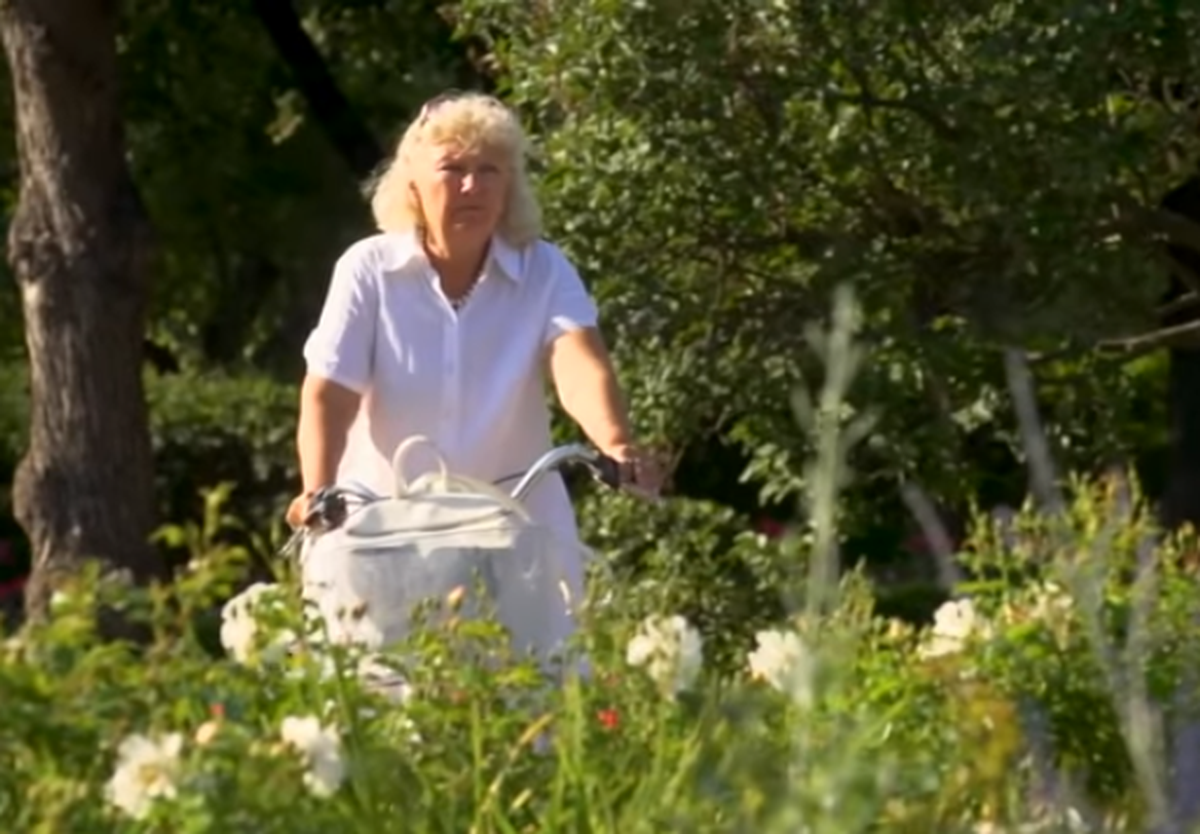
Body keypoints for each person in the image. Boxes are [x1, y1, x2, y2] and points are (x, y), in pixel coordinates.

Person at [286, 89, 662, 641]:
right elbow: (330, 394)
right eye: (453, 169)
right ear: (412, 182)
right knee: (376, 678)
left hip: (515, 535)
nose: (473, 186)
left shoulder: (545, 269)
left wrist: (615, 443)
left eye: (490, 171)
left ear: (509, 186)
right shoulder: (367, 270)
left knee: (542, 678)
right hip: (386, 536)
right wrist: (317, 489)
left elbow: (577, 360)